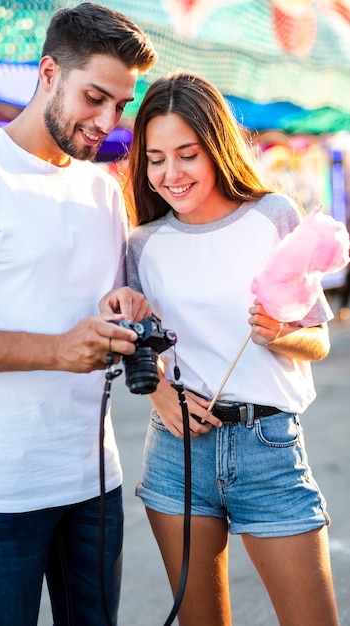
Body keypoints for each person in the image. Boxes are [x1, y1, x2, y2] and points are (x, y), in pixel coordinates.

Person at [0, 4, 157, 626]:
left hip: (95, 484)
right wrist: (56, 350)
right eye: (95, 97)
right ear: (49, 72)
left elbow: (94, 307)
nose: (108, 121)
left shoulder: (101, 189)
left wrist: (122, 307)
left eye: (121, 105)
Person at [124, 71, 339, 626]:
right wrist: (160, 399)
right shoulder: (143, 244)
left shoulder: (273, 217)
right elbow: (137, 346)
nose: (171, 173)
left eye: (187, 154)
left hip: (267, 447)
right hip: (177, 454)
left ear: (216, 146)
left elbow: (317, 339)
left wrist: (280, 333)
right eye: (155, 158)